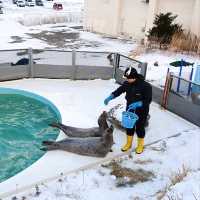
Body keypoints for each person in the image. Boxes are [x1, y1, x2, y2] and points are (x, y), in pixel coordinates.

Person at [104, 67, 152, 153]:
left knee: (140, 128)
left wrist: (139, 104)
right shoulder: (127, 84)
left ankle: (140, 145)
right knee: (129, 127)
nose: (127, 79)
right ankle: (128, 144)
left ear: (134, 77)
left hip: (142, 111)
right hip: (129, 109)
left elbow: (148, 100)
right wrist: (110, 97)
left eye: (128, 78)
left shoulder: (146, 86)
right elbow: (119, 91)